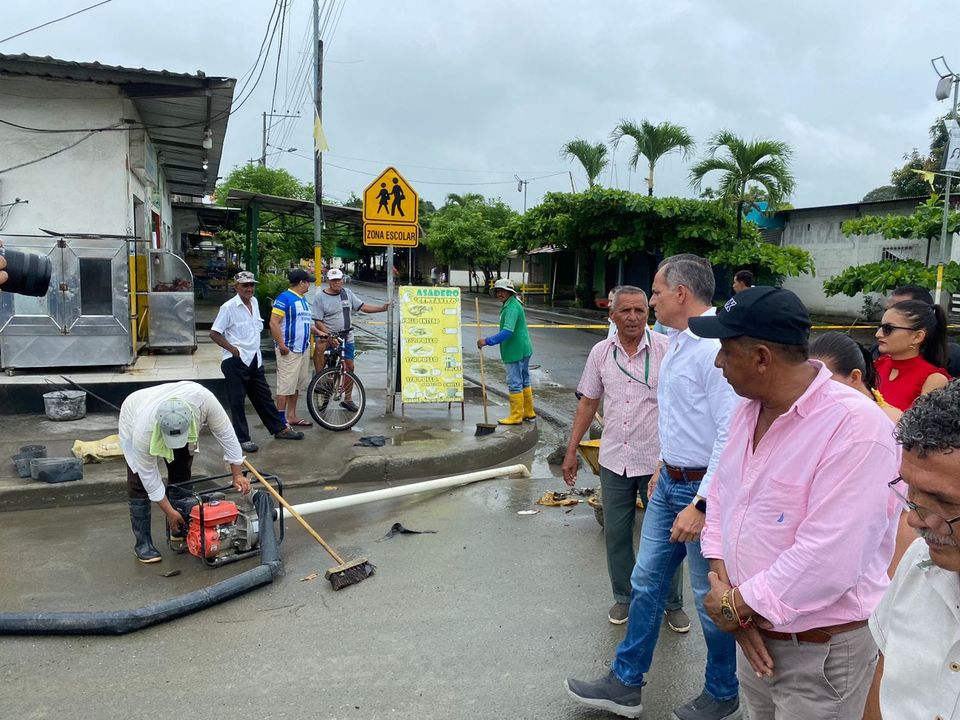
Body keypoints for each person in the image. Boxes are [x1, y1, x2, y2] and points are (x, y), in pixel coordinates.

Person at [693, 287, 899, 720]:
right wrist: (734, 606)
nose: (718, 363)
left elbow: (828, 558)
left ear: (762, 357)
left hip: (818, 654)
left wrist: (732, 606)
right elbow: (724, 500)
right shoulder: (748, 409)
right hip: (754, 637)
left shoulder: (856, 428)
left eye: (726, 351)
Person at [566, 254, 740, 720]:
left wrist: (703, 502)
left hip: (702, 491)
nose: (652, 303)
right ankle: (626, 683)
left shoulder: (715, 347)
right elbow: (681, 416)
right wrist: (666, 461)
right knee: (645, 583)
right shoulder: (678, 342)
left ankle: (723, 693)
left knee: (710, 597)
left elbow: (730, 432)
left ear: (681, 293)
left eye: (657, 294)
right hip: (670, 482)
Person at [562, 286, 675, 626]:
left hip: (657, 462)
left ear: (648, 314)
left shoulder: (667, 349)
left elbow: (681, 406)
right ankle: (624, 597)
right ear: (612, 315)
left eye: (640, 310)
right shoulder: (601, 353)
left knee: (667, 537)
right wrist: (572, 450)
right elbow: (588, 402)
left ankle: (672, 602)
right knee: (617, 534)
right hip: (614, 460)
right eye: (626, 311)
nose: (634, 317)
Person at [864, 381, 960, 720]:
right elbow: (883, 678)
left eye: (943, 502)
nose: (915, 519)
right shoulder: (918, 561)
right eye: (911, 491)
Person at [118, 380, 252, 563]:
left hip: (175, 411)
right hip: (134, 411)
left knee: (181, 472)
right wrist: (168, 511)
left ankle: (179, 529)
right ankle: (143, 544)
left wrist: (237, 474)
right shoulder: (143, 431)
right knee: (138, 481)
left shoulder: (205, 401)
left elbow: (226, 434)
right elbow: (149, 475)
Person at [210, 271, 303, 453]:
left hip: (254, 358)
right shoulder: (228, 307)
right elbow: (214, 333)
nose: (249, 289)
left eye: (251, 285)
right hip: (236, 362)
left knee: (264, 397)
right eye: (245, 285)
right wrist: (233, 350)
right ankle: (242, 439)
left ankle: (279, 429)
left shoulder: (254, 302)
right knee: (237, 402)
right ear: (236, 287)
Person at [311, 267, 390, 412]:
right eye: (333, 280)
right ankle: (320, 378)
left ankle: (348, 399)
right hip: (328, 335)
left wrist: (382, 308)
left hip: (346, 336)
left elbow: (362, 307)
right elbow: (318, 321)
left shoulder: (346, 293)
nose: (336, 283)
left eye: (339, 280)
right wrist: (329, 335)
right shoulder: (320, 297)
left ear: (342, 280)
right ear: (328, 281)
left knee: (349, 367)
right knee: (320, 347)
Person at [476, 278, 535, 425]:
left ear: (510, 292)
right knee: (524, 380)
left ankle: (516, 416)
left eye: (503, 291)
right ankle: (528, 412)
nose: (500, 294)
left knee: (515, 382)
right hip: (523, 348)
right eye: (498, 291)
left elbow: (507, 332)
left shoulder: (511, 308)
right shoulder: (512, 304)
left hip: (515, 350)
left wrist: (487, 341)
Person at [874, 299, 950, 411]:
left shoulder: (934, 380)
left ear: (917, 337)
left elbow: (921, 421)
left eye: (888, 329)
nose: (878, 334)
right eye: (879, 327)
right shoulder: (878, 364)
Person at [869, 284, 960, 377]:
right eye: (887, 310)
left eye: (902, 308)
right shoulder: (877, 352)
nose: (879, 334)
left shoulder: (951, 356)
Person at [269, 268, 316, 428]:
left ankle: (291, 416)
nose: (309, 285)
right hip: (289, 349)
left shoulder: (303, 300)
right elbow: (273, 322)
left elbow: (305, 323)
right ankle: (280, 422)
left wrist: (321, 333)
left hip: (302, 349)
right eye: (308, 282)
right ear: (302, 283)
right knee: (285, 386)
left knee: (296, 385)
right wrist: (282, 345)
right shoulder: (285, 298)